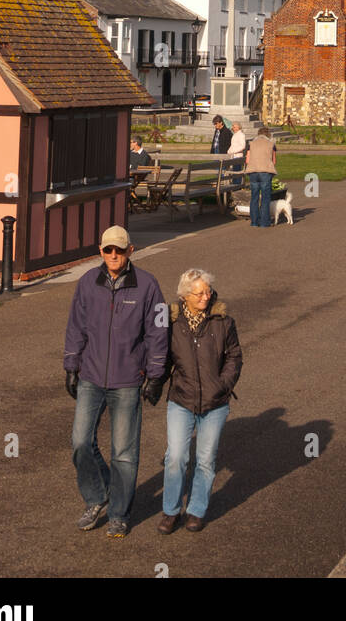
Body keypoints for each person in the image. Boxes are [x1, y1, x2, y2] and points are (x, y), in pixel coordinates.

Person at [64, 226, 168, 539]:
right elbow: (75, 327)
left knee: (124, 453)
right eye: (108, 250)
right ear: (100, 250)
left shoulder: (149, 286)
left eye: (119, 250)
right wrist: (71, 365)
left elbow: (158, 333)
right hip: (91, 377)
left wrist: (156, 375)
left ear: (130, 251)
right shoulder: (87, 283)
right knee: (80, 442)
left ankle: (119, 514)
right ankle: (97, 497)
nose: (113, 255)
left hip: (127, 381)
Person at [159, 268, 242, 533]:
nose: (205, 296)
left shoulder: (223, 320)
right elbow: (161, 359)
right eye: (199, 292)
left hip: (215, 402)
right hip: (181, 399)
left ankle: (196, 510)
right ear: (185, 296)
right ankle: (170, 511)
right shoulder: (172, 322)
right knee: (176, 457)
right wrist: (152, 382)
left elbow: (234, 357)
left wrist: (224, 384)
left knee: (206, 459)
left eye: (207, 291)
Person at [245, 127, 276, 228]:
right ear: (268, 135)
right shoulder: (271, 144)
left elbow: (247, 160)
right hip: (265, 172)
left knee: (254, 197)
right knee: (265, 198)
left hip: (253, 171)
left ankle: (254, 222)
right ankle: (264, 222)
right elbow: (274, 160)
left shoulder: (251, 143)